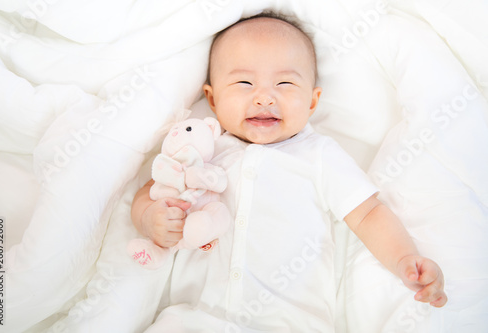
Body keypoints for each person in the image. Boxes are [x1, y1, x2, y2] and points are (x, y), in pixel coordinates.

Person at [131, 12, 447, 332]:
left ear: (312, 101)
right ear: (212, 99)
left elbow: (368, 214)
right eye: (244, 83)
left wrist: (404, 258)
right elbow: (154, 190)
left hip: (290, 322)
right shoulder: (201, 151)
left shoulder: (319, 155)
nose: (265, 97)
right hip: (192, 319)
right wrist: (149, 218)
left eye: (284, 83)